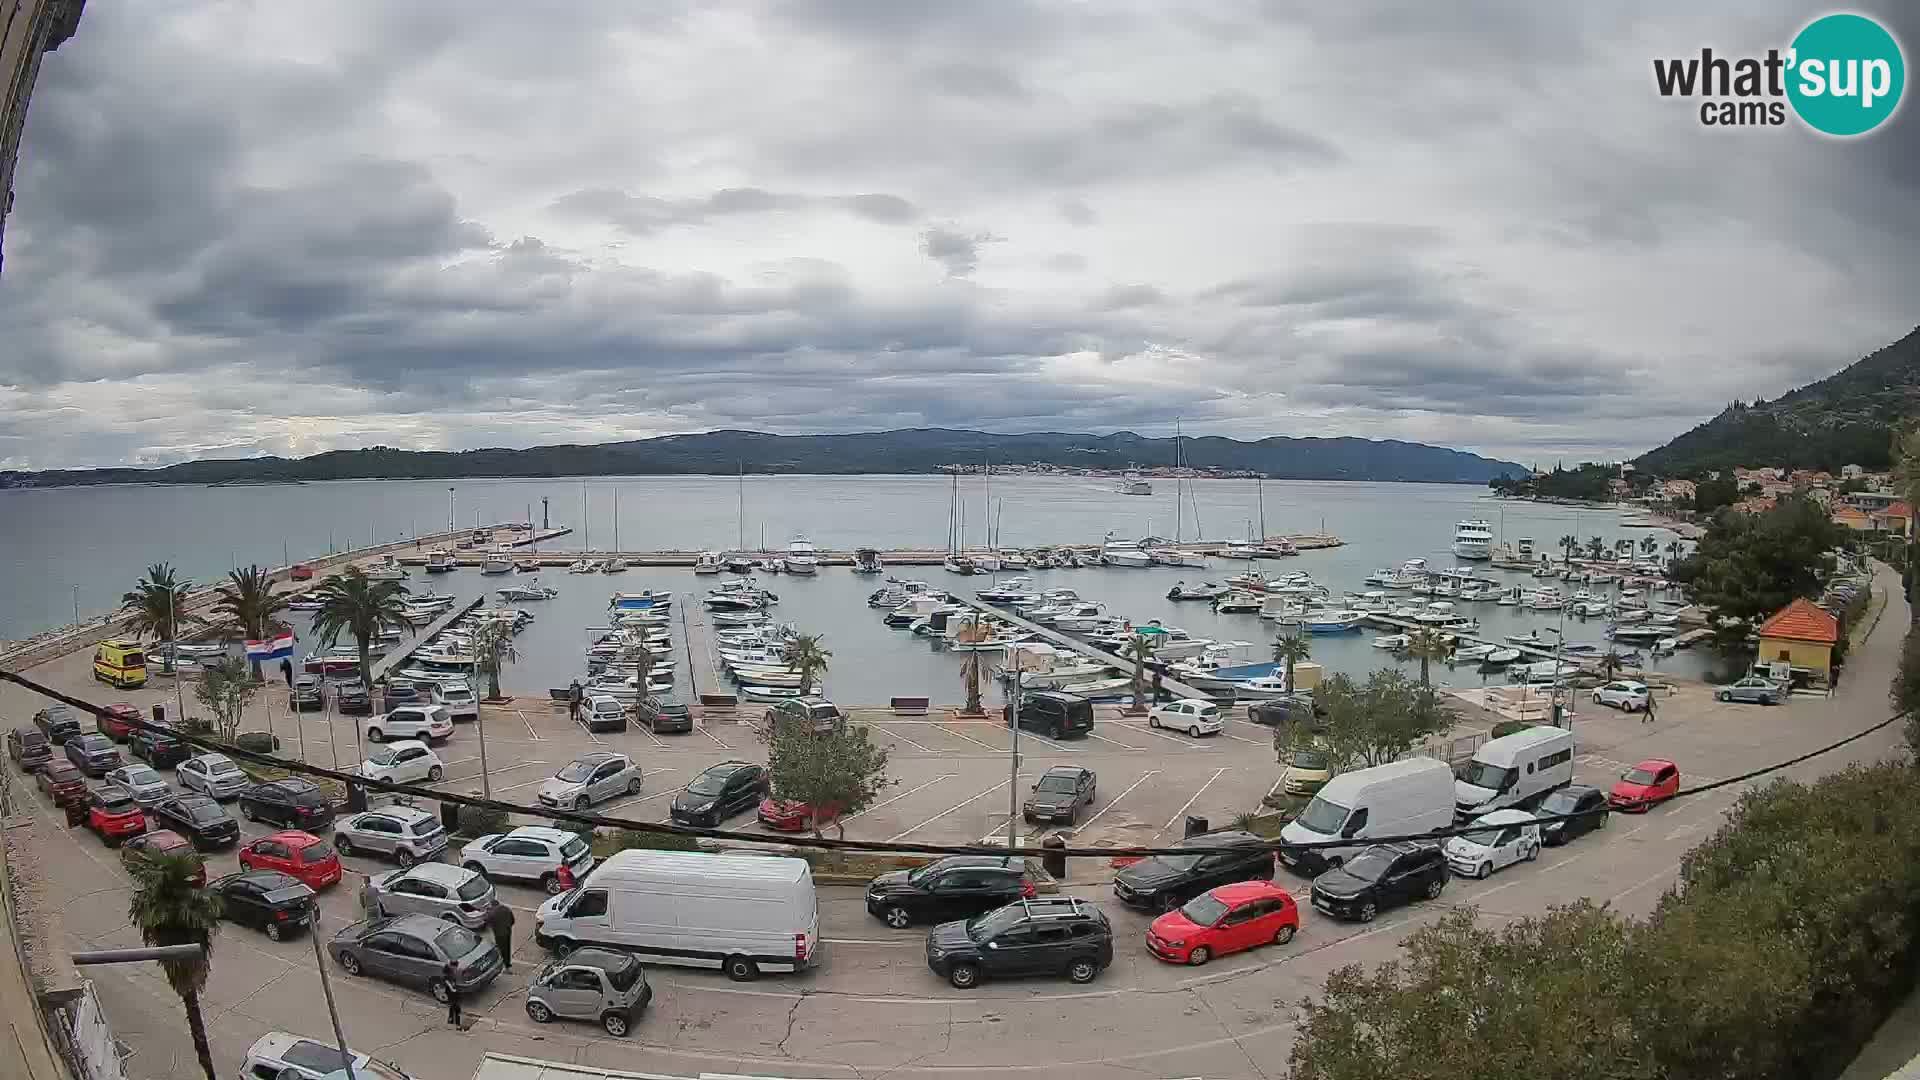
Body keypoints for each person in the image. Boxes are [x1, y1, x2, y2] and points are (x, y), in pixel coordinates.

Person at [487, 903, 517, 973]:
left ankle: (502, 966)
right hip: (507, 932)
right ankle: (508, 965)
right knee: (507, 948)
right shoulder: (507, 909)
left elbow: (488, 922)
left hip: (499, 935)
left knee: (500, 950)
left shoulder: (492, 913)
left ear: (492, 906)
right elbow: (513, 921)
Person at [444, 963, 465, 1028]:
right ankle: (458, 1025)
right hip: (452, 993)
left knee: (453, 1006)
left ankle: (450, 1019)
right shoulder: (448, 976)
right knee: (457, 1008)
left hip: (453, 992)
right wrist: (452, 989)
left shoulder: (452, 973)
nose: (456, 968)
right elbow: (447, 982)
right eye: (455, 967)